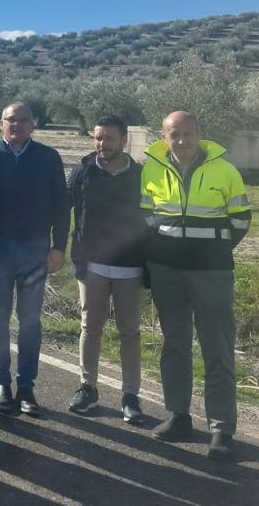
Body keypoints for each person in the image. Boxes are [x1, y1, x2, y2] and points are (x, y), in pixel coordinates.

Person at [142, 111, 251, 460]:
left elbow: (241, 221)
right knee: (174, 345)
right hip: (167, 272)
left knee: (216, 348)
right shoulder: (151, 168)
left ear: (199, 134)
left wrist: (211, 251)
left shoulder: (225, 170)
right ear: (164, 135)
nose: (183, 140)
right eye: (175, 134)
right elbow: (146, 216)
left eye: (189, 133)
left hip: (211, 272)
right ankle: (178, 416)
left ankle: (221, 428)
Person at [0, 101, 69, 417]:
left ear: (33, 124)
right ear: (1, 123)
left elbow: (61, 205)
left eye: (23, 120)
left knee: (30, 321)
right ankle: (2, 384)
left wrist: (59, 247)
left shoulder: (48, 157)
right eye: (10, 120)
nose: (16, 125)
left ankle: (26, 386)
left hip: (35, 249)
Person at [66, 116, 148, 425]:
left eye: (109, 139)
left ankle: (130, 396)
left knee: (130, 332)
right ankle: (88, 388)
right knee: (90, 326)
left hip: (130, 267)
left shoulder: (141, 175)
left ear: (123, 140)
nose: (103, 144)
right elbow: (63, 208)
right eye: (98, 138)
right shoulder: (82, 172)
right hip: (93, 266)